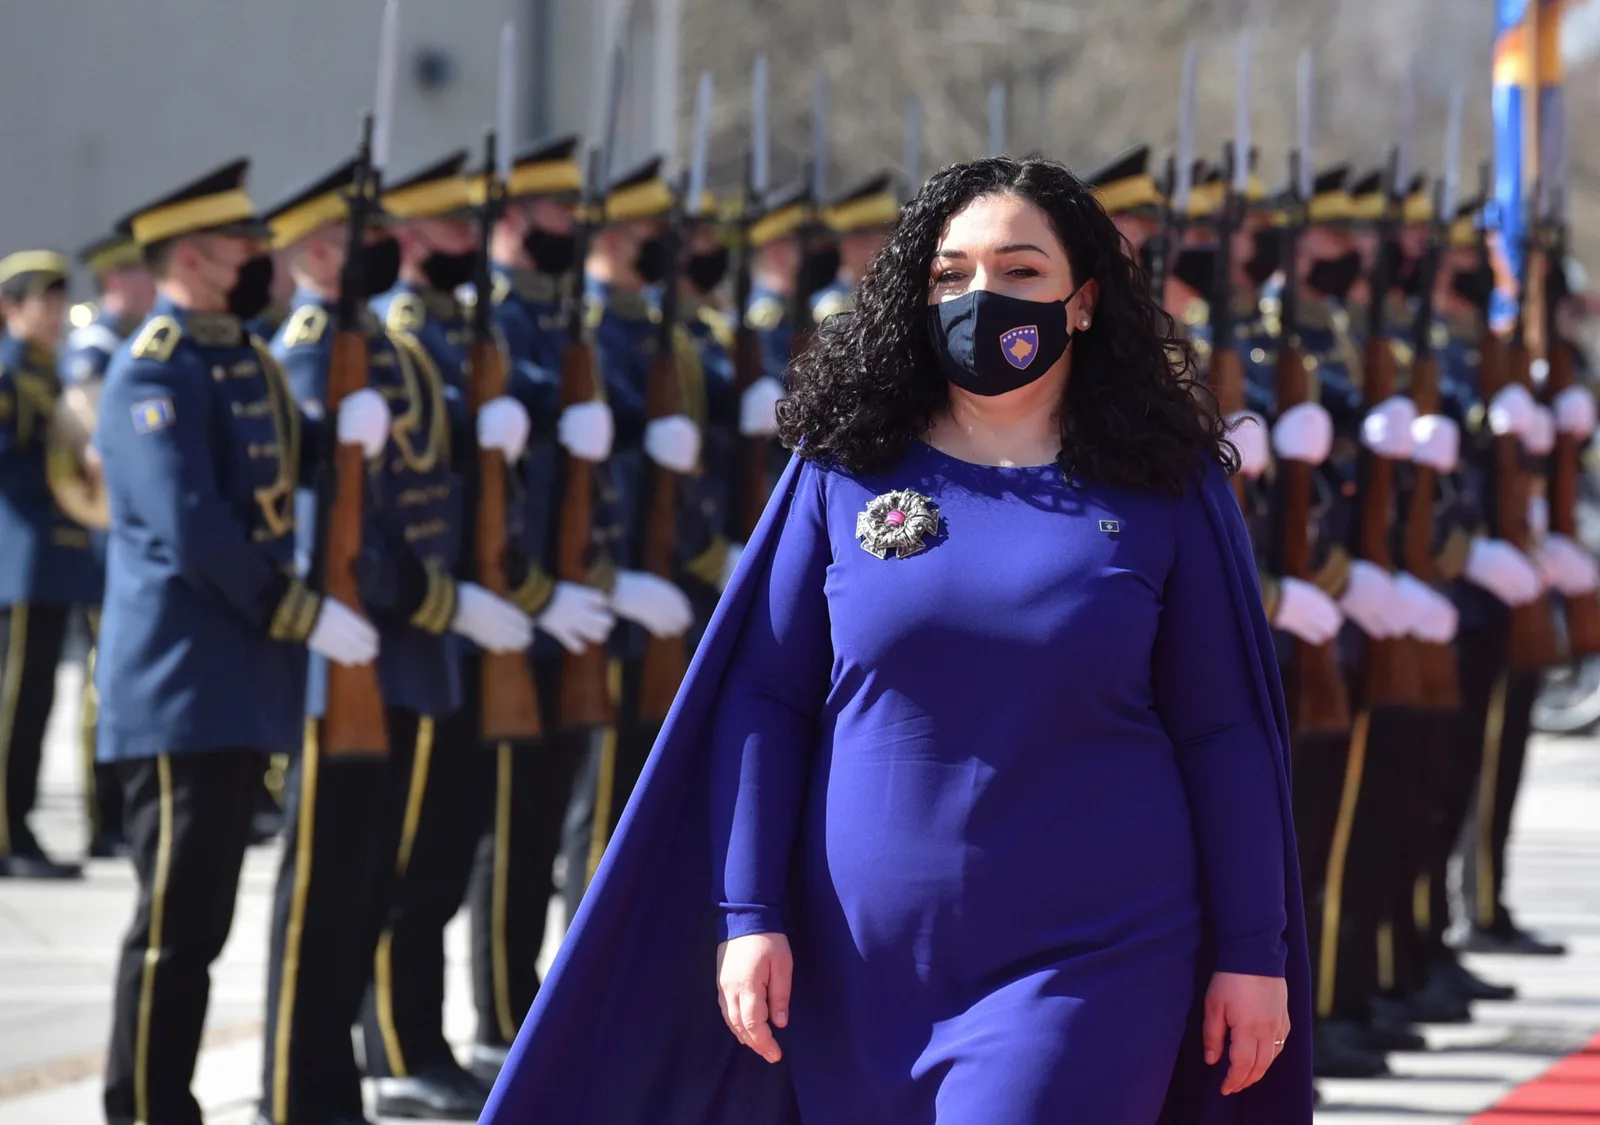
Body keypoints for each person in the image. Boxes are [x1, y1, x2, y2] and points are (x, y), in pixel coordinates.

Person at [482, 155, 1312, 1125]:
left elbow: (1225, 731)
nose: (981, 297)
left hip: (1093, 952)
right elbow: (764, 694)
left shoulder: (1163, 487)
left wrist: (1254, 950)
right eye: (950, 275)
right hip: (857, 968)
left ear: (1082, 302)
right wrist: (747, 916)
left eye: (1020, 272)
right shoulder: (845, 469)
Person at [97, 157, 382, 1125]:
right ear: (192, 257)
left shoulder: (244, 358)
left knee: (203, 923)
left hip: (236, 684)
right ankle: (143, 1107)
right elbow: (192, 525)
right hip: (179, 685)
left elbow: (291, 454)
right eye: (242, 247)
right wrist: (295, 611)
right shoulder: (153, 368)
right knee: (174, 928)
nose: (261, 259)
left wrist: (347, 419)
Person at [255, 152, 534, 1125]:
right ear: (323, 253)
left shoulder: (387, 347)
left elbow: (433, 494)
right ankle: (319, 1080)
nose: (388, 251)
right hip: (359, 648)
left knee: (392, 877)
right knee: (339, 893)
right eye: (366, 238)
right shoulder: (309, 349)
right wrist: (434, 602)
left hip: (414, 646)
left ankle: (353, 1074)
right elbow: (327, 527)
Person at [361, 148, 532, 1118]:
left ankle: (415, 1043)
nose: (473, 246)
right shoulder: (398, 337)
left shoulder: (458, 338)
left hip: (464, 625)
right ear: (418, 236)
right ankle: (395, 1047)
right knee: (413, 862)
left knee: (442, 854)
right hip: (418, 627)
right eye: (456, 230)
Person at [465, 133, 618, 1083]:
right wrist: (532, 591)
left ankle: (527, 1009)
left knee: (545, 819)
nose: (574, 229)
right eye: (557, 213)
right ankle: (498, 1012)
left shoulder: (566, 315)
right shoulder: (500, 320)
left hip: (569, 597)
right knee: (509, 831)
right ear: (515, 219)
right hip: (512, 605)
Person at [558, 155, 700, 919]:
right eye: (641, 229)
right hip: (600, 594)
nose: (654, 243)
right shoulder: (585, 330)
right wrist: (611, 579)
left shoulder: (647, 329)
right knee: (595, 813)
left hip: (656, 583)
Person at [0, 250, 101, 880]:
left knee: (37, 701)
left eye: (61, 300)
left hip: (56, 557)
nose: (56, 312)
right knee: (15, 703)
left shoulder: (49, 371)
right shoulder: (9, 377)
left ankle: (20, 826)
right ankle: (8, 833)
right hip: (20, 558)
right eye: (44, 300)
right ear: (10, 307)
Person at [812, 171, 899, 323]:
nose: (854, 243)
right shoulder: (825, 306)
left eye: (865, 232)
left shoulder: (902, 295)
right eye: (857, 233)